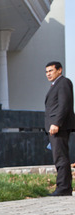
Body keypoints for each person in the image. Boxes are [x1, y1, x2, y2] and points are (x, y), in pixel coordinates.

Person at [44, 61, 75, 196]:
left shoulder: (63, 83)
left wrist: (56, 123)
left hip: (58, 127)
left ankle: (63, 187)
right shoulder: (55, 85)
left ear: (59, 70)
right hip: (54, 127)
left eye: (51, 71)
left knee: (61, 157)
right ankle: (64, 187)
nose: (48, 74)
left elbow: (64, 105)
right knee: (59, 157)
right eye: (46, 72)